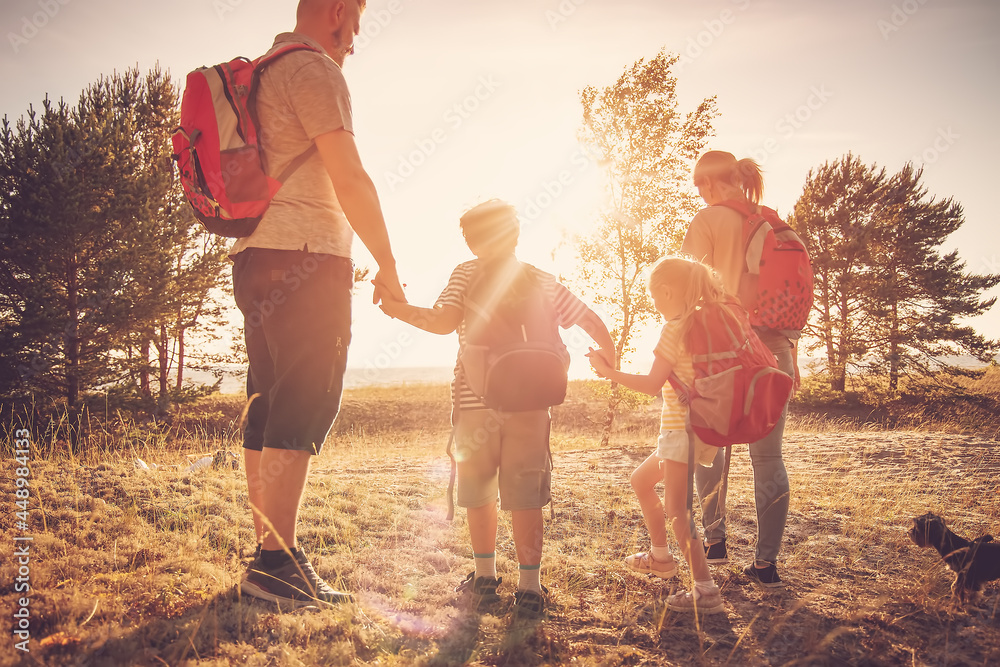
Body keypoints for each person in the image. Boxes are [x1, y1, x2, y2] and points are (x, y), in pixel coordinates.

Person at [234, 0, 406, 608]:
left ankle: (266, 555)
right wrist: (387, 263)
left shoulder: (261, 72)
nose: (355, 41)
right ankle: (278, 563)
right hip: (306, 256)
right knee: (304, 402)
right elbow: (349, 176)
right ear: (337, 10)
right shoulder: (314, 69)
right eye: (356, 24)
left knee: (270, 400)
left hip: (255, 258)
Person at [379, 199, 615, 618]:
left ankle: (484, 580)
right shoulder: (542, 278)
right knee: (526, 495)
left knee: (479, 490)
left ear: (471, 241)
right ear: (516, 235)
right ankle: (529, 588)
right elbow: (591, 321)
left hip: (475, 400)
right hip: (533, 402)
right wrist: (607, 355)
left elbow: (441, 322)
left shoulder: (466, 273)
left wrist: (397, 310)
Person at [681, 150, 799, 588]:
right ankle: (766, 565)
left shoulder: (708, 219)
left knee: (711, 446)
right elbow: (786, 294)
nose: (699, 193)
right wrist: (790, 355)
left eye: (698, 185)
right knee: (768, 457)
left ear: (709, 182)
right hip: (774, 352)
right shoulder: (771, 222)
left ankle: (715, 541)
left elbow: (686, 287)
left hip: (722, 351)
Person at [588, 256, 727, 614]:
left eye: (654, 297)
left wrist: (608, 372)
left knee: (679, 512)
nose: (654, 305)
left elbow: (652, 384)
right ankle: (661, 558)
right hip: (697, 430)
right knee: (641, 481)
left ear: (666, 291)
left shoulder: (675, 328)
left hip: (682, 431)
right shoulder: (702, 322)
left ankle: (705, 588)